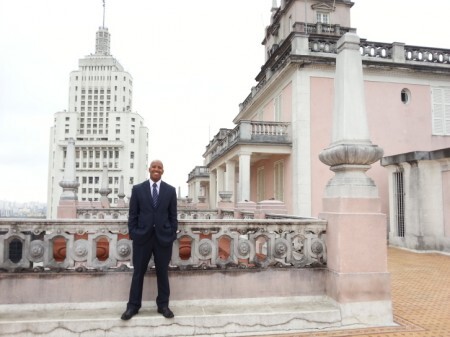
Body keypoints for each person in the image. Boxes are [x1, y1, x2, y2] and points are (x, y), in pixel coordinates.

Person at [121, 159, 178, 320]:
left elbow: (173, 216)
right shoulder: (138, 189)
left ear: (163, 170)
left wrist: (172, 233)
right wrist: (133, 232)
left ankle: (163, 305)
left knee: (162, 273)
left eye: (159, 167)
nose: (156, 169)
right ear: (149, 169)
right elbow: (133, 214)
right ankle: (133, 306)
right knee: (138, 273)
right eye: (154, 167)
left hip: (163, 238)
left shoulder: (170, 190)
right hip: (142, 238)